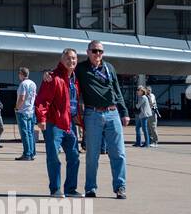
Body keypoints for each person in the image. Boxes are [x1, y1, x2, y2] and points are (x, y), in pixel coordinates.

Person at [75, 40, 130, 200]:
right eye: (94, 51)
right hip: (93, 114)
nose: (97, 54)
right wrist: (48, 74)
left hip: (112, 113)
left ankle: (120, 187)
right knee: (92, 154)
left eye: (100, 51)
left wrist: (124, 111)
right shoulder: (81, 69)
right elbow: (66, 73)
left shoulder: (109, 67)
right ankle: (91, 188)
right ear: (88, 52)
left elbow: (117, 90)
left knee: (119, 153)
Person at [35, 52, 81, 197]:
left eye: (73, 58)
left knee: (74, 156)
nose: (71, 61)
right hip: (54, 123)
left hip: (70, 123)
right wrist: (41, 118)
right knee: (53, 156)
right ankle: (55, 189)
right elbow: (43, 99)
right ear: (62, 60)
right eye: (68, 58)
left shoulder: (76, 78)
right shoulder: (54, 77)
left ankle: (70, 189)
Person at [14, 67, 38, 161]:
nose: (18, 76)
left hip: (23, 111)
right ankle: (32, 153)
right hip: (31, 111)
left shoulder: (23, 84)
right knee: (30, 132)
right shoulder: (33, 83)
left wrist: (17, 108)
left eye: (19, 74)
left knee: (24, 134)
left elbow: (22, 98)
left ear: (22, 74)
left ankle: (27, 154)